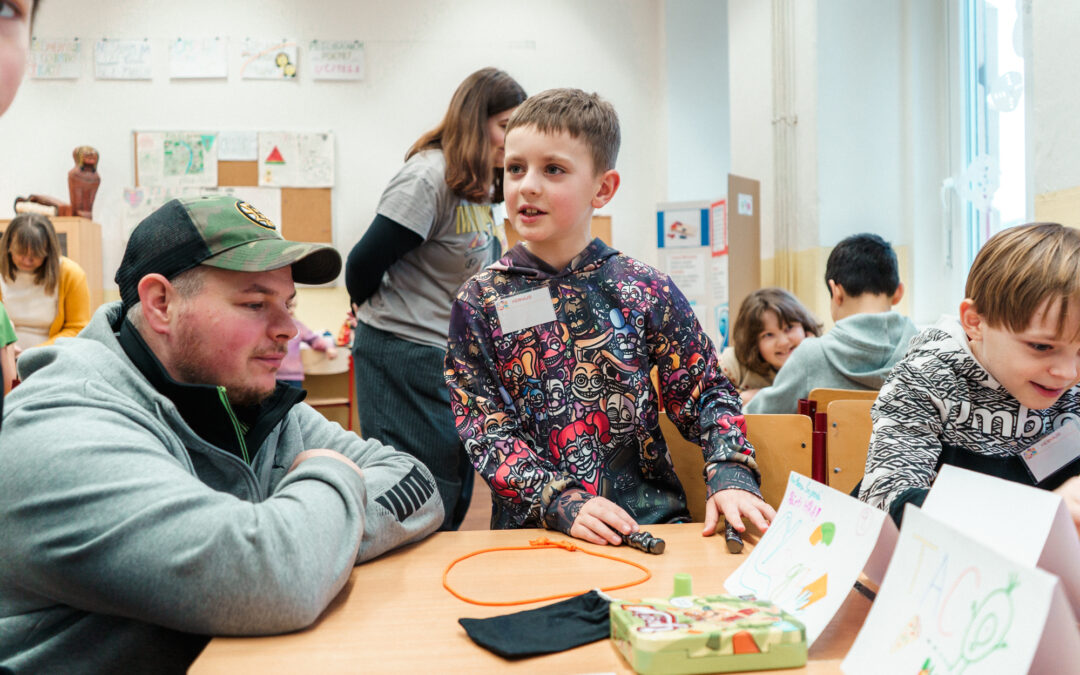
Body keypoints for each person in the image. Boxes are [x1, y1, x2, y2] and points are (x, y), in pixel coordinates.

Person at [0, 195, 443, 672]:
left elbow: (415, 481)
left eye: (288, 305)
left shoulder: (243, 398)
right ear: (161, 304)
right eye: (255, 303)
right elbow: (274, 578)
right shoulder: (61, 428)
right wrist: (328, 476)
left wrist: (303, 537)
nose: (288, 330)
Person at [444, 88, 773, 547]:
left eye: (553, 169)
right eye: (515, 168)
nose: (527, 185)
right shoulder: (479, 301)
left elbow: (706, 391)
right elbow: (485, 425)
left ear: (603, 188)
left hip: (649, 526)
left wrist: (731, 469)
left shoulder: (644, 288)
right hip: (534, 536)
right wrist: (558, 500)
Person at [346, 67, 526, 531]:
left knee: (452, 490)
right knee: (416, 497)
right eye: (506, 125)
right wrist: (383, 319)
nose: (513, 138)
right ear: (475, 118)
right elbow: (362, 265)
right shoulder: (428, 177)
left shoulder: (482, 188)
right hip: (401, 352)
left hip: (444, 357)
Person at [860, 222, 1080, 526]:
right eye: (1041, 346)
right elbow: (886, 503)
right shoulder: (926, 378)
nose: (1067, 373)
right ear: (975, 322)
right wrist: (1035, 514)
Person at [746, 233, 918, 414]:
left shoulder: (810, 356)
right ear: (899, 292)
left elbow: (755, 420)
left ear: (836, 292)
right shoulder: (928, 351)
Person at [0, 212, 91, 353]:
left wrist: (35, 353)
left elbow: (78, 328)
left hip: (52, 358)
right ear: (9, 245)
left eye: (35, 255)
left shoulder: (71, 274)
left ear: (48, 251)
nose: (27, 260)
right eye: (21, 253)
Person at [720, 287, 822, 405]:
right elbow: (704, 400)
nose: (783, 342)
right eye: (768, 335)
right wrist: (742, 398)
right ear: (753, 343)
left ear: (805, 327)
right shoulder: (733, 363)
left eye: (789, 328)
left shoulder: (820, 359)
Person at [278, 307, 338, 388]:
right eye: (287, 306)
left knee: (295, 400)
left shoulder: (297, 326)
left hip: (293, 376)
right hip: (271, 376)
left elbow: (314, 339)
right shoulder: (267, 326)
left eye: (293, 306)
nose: (291, 310)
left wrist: (328, 347)